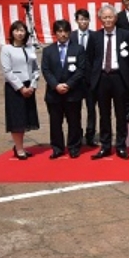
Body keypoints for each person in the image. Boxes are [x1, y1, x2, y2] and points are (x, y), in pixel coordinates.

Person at [87, 5, 129, 161]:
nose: (107, 20)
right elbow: (90, 58)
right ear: (100, 19)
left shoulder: (125, 35)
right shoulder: (95, 37)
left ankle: (121, 146)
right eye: (104, 17)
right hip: (102, 78)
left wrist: (127, 76)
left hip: (119, 77)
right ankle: (105, 146)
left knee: (121, 114)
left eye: (110, 17)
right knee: (104, 114)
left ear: (115, 18)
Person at [41, 19, 86, 159]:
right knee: (55, 122)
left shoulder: (78, 49)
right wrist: (56, 85)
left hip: (72, 92)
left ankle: (73, 146)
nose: (63, 34)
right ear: (55, 33)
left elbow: (81, 69)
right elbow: (46, 70)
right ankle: (57, 147)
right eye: (60, 31)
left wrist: (69, 84)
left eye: (66, 31)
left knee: (74, 121)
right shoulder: (48, 50)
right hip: (54, 94)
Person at [1, 20, 40, 159]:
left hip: (29, 86)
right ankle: (19, 148)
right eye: (17, 30)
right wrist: (21, 87)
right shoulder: (6, 49)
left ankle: (20, 146)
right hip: (15, 88)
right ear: (12, 32)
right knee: (16, 120)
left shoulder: (30, 48)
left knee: (25, 119)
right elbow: (7, 71)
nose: (19, 33)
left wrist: (33, 85)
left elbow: (36, 69)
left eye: (22, 30)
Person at [70, 8, 97, 146]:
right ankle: (77, 134)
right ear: (76, 21)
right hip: (75, 80)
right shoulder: (71, 36)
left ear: (89, 20)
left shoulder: (95, 36)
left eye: (86, 19)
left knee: (91, 109)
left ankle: (91, 135)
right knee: (75, 109)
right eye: (81, 19)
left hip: (91, 79)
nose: (84, 22)